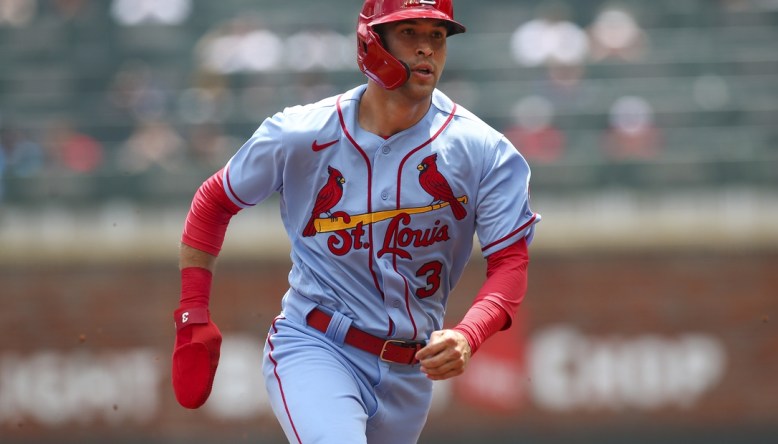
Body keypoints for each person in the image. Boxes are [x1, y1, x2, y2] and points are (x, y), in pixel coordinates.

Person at [171, 1, 540, 443]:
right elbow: (214, 201)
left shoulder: (483, 150)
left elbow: (510, 264)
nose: (426, 49)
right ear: (371, 43)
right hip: (318, 343)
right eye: (409, 33)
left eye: (437, 36)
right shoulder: (301, 133)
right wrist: (193, 314)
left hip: (410, 371)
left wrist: (469, 333)